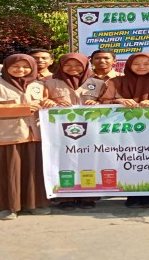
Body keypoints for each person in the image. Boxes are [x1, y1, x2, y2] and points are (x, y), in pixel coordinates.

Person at [0, 54, 52, 220]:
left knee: (32, 172)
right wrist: (21, 108)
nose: (20, 70)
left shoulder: (38, 85)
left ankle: (33, 203)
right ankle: (6, 206)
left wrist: (49, 103)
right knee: (6, 172)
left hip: (34, 136)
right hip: (4, 136)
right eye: (15, 66)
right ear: (6, 67)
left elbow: (45, 103)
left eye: (26, 66)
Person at [99, 52, 149, 208]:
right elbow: (103, 101)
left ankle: (147, 193)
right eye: (136, 64)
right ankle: (131, 194)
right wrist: (119, 101)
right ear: (129, 65)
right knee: (127, 159)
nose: (141, 67)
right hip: (122, 129)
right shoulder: (115, 82)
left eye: (146, 64)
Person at [42, 53, 105, 210]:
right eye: (68, 65)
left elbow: (107, 101)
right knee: (63, 161)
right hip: (60, 131)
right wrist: (49, 102)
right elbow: (42, 100)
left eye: (77, 65)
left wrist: (98, 103)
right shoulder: (49, 83)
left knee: (89, 160)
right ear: (60, 66)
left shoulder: (98, 83)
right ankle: (66, 197)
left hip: (92, 130)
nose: (73, 68)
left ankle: (87, 196)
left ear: (85, 66)